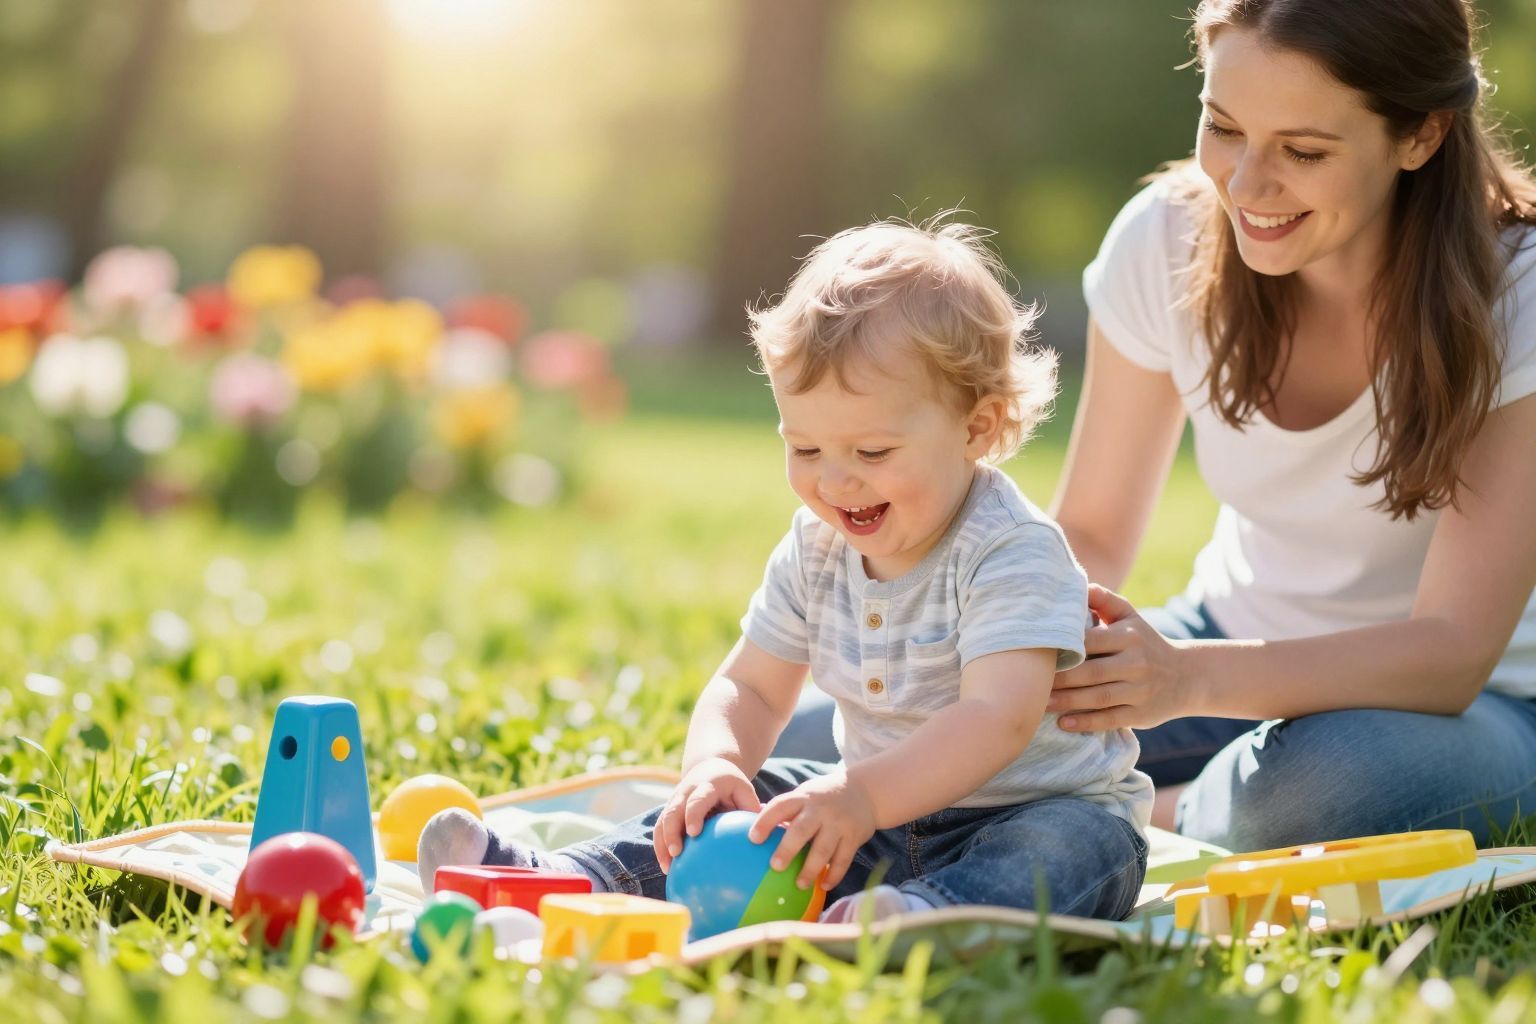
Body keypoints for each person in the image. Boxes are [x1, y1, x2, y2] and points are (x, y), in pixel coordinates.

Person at [775, 0, 1536, 853]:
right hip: (1222, 638)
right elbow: (1092, 531)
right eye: (1224, 126)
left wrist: (1184, 679)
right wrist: (987, 662)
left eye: (1303, 151)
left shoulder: (1521, 296)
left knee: (1300, 797)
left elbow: (1451, 653)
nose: (1246, 184)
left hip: (1481, 703)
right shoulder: (1168, 237)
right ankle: (1059, 812)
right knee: (815, 742)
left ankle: (1114, 820)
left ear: (1422, 136)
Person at [419, 219, 1152, 923]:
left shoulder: (1012, 550)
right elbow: (751, 685)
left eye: (871, 454)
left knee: (1067, 848)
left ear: (977, 427)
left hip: (1028, 811)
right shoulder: (818, 547)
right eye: (805, 451)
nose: (836, 483)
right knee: (756, 805)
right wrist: (715, 764)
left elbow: (999, 717)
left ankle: (934, 916)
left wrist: (861, 795)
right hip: (872, 821)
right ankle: (558, 879)